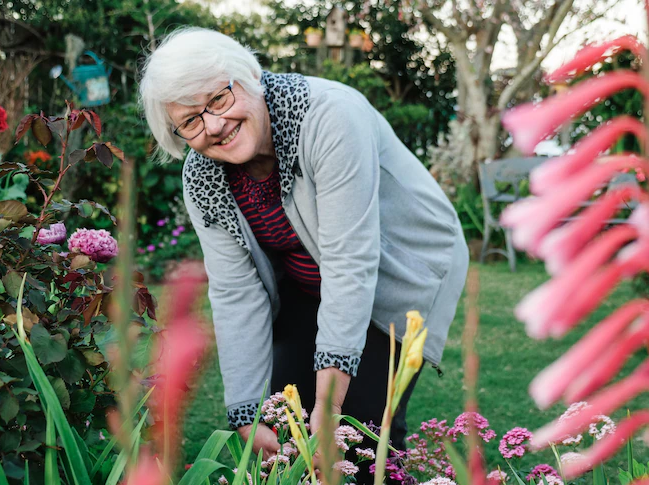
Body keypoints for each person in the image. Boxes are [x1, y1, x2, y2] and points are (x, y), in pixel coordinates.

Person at [139, 27, 469, 477]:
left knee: (360, 431)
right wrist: (244, 411)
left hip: (397, 268)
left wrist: (331, 403)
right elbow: (235, 292)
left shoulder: (329, 116)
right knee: (281, 423)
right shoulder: (203, 176)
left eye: (218, 99)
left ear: (250, 75)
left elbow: (350, 260)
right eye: (191, 121)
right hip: (306, 280)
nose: (213, 125)